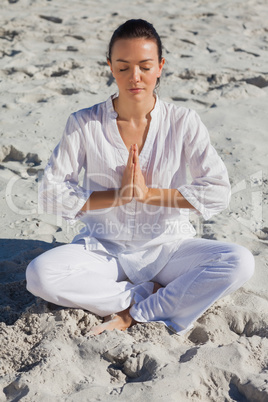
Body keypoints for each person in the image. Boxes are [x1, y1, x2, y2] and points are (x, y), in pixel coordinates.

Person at [26, 19, 254, 336]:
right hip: (104, 250)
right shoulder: (83, 123)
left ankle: (140, 312)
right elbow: (51, 191)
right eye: (123, 67)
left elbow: (217, 191)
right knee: (39, 275)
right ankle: (143, 297)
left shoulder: (183, 122)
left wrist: (149, 195)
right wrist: (116, 197)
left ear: (160, 67)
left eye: (145, 67)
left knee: (240, 262)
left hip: (169, 248)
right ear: (110, 67)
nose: (135, 77)